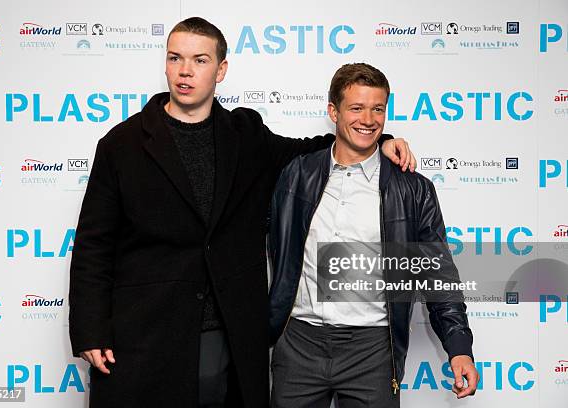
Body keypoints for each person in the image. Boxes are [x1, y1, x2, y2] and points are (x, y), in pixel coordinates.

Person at [68, 18, 415, 408]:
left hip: (226, 332)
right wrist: (91, 330)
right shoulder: (121, 145)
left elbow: (309, 150)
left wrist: (377, 138)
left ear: (221, 70)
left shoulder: (246, 133)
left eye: (199, 60)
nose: (185, 71)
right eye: (175, 58)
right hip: (145, 331)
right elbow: (92, 246)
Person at [268, 62, 478, 408]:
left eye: (377, 109)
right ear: (333, 111)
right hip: (299, 345)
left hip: (373, 351)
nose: (368, 119)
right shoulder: (295, 174)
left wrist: (459, 348)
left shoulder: (412, 189)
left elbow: (437, 274)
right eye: (356, 108)